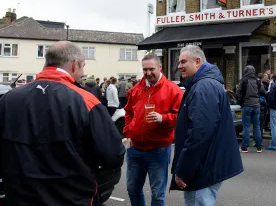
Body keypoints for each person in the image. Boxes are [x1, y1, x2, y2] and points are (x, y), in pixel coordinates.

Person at [0, 41, 125, 206]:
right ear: (74, 65)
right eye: (83, 67)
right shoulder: (86, 101)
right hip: (71, 197)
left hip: (18, 197)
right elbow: (113, 156)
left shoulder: (9, 98)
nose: (82, 72)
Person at [171, 45, 243, 206]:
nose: (179, 66)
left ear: (197, 61)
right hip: (202, 165)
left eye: (183, 62)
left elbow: (199, 133)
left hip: (202, 167)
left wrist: (183, 170)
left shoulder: (203, 87)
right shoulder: (203, 84)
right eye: (179, 62)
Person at [123, 54, 183, 206]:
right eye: (145, 69)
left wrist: (163, 118)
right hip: (135, 148)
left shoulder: (173, 90)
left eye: (151, 69)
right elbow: (128, 112)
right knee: (132, 189)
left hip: (159, 149)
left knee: (157, 194)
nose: (148, 73)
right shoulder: (136, 89)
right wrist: (129, 132)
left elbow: (181, 118)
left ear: (160, 67)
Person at [236, 65, 262, 153]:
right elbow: (261, 92)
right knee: (257, 126)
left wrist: (241, 102)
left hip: (246, 105)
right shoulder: (258, 81)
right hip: (256, 105)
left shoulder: (243, 80)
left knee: (246, 127)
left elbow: (238, 93)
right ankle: (259, 147)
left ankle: (245, 147)